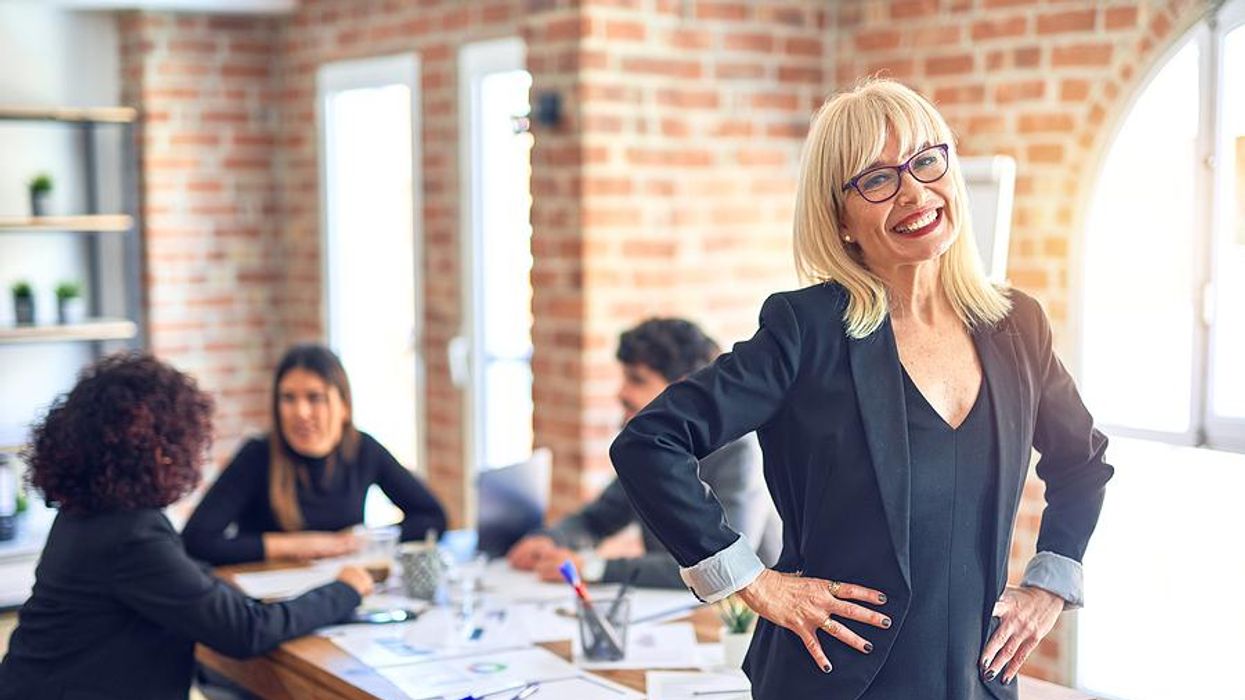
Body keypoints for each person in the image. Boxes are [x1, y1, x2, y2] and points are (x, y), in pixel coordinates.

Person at [609, 79, 1114, 700]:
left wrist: (1049, 586)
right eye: (876, 180)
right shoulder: (807, 330)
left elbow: (1082, 462)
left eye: (927, 161)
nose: (914, 192)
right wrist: (748, 580)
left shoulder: (1016, 326)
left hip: (974, 680)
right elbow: (650, 441)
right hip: (832, 681)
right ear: (841, 219)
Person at [0, 354, 373, 700]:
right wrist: (345, 590)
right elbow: (245, 631)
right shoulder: (129, 534)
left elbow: (182, 580)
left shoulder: (93, 513)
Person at [507, 318, 779, 588]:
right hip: (676, 609)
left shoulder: (741, 452)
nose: (622, 392)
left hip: (739, 621)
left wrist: (592, 567)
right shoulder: (646, 451)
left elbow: (724, 566)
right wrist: (550, 540)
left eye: (637, 379)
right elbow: (597, 519)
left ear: (684, 389)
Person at [183, 343, 447, 565]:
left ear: (343, 406)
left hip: (341, 591)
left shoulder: (363, 449)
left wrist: (366, 540)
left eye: (315, 398)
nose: (300, 412)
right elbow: (197, 540)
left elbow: (432, 517)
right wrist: (302, 545)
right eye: (288, 398)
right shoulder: (257, 455)